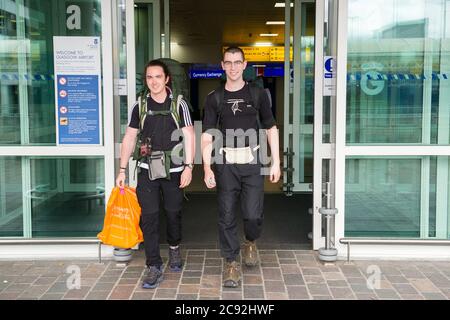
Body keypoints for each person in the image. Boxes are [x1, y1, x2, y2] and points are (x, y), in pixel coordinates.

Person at [201, 47, 281, 288]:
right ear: (222, 65)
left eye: (238, 62)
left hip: (253, 162)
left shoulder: (257, 95)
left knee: (252, 216)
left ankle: (251, 241)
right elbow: (207, 135)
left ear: (244, 65)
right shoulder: (214, 98)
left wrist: (276, 161)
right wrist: (206, 168)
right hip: (226, 165)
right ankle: (231, 263)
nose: (233, 67)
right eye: (229, 62)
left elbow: (270, 129)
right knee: (226, 215)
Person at [116, 59, 195, 289]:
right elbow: (130, 137)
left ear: (166, 78)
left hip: (174, 169)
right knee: (149, 217)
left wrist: (189, 166)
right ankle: (153, 265)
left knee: (173, 213)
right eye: (149, 77)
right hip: (146, 170)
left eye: (158, 77)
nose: (154, 82)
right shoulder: (139, 105)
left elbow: (189, 135)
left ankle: (174, 248)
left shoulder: (179, 105)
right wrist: (122, 170)